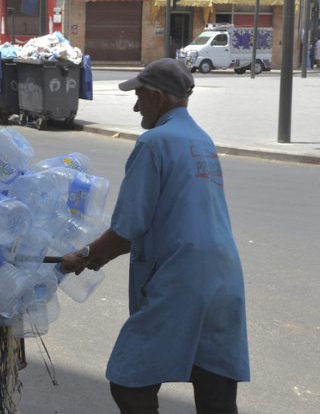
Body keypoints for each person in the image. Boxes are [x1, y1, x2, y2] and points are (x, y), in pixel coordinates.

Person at [60, 58, 250, 414]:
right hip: (223, 279)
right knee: (215, 391)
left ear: (160, 98)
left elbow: (128, 229)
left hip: (182, 279)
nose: (135, 105)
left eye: (140, 96)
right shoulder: (201, 140)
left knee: (129, 378)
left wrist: (83, 257)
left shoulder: (154, 143)